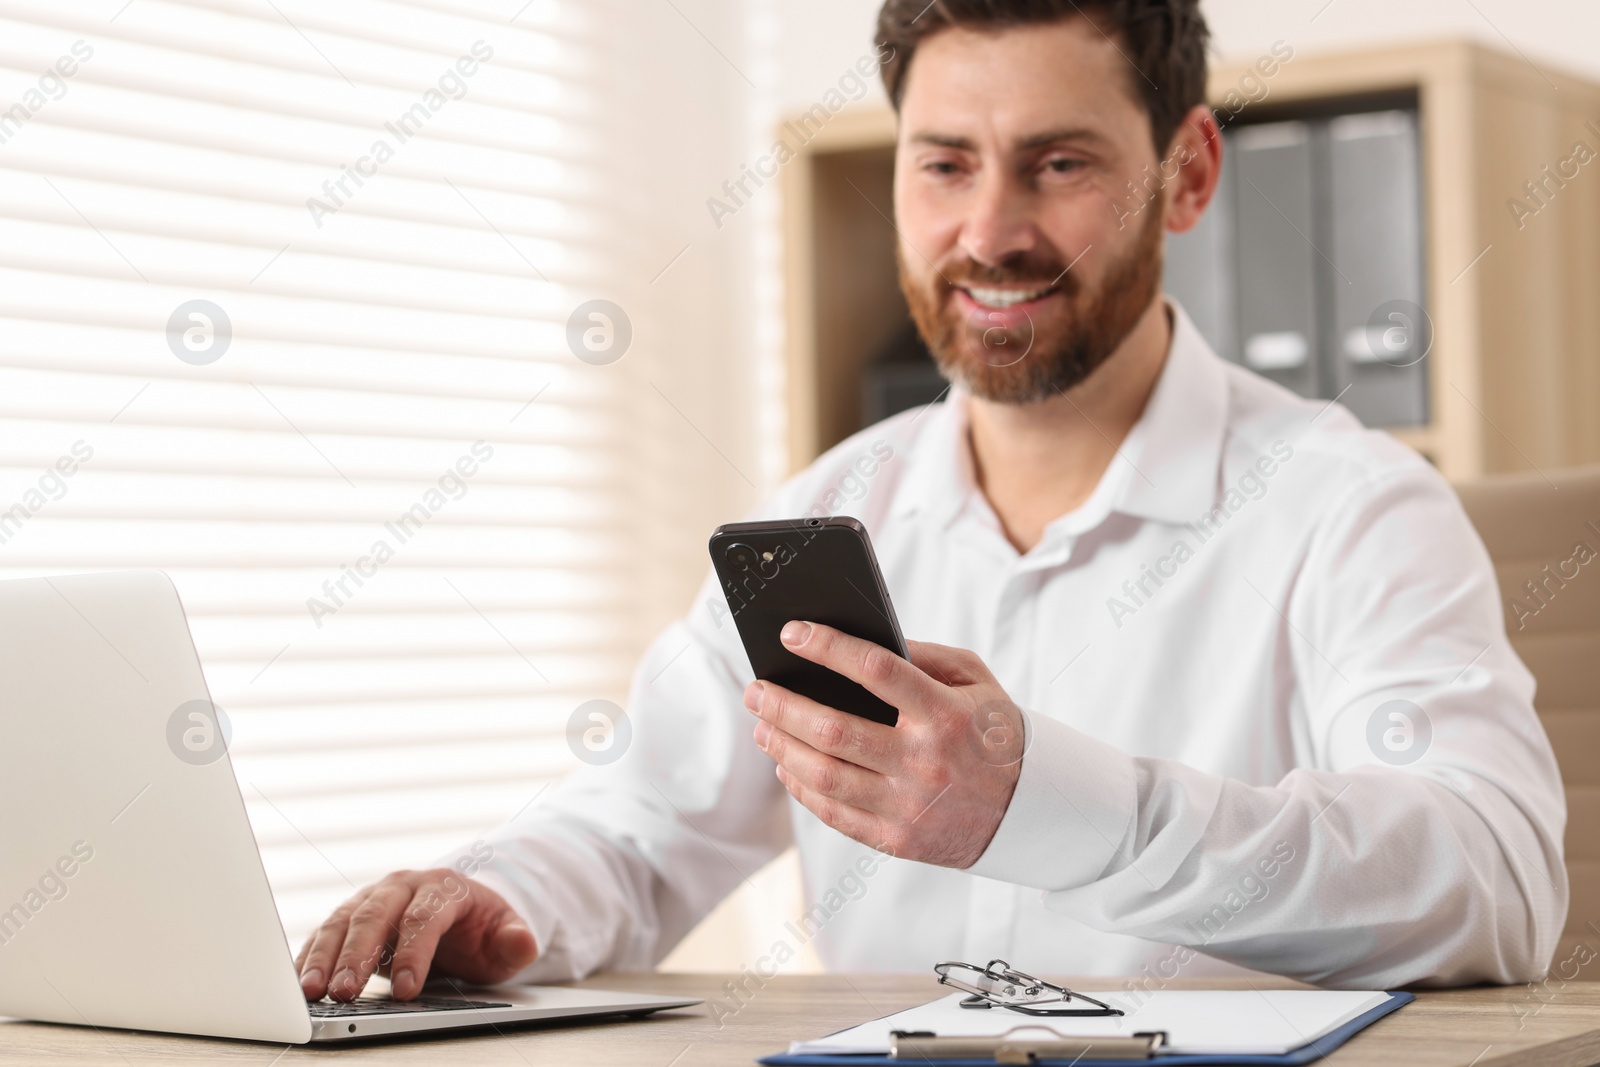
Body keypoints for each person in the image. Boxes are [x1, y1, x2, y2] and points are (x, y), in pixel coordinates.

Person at [296, 0, 1567, 1004]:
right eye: (944, 164)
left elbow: (1493, 880)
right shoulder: (829, 508)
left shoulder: (1353, 505)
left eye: (1058, 162)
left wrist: (1045, 803)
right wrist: (486, 893)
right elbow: (639, 830)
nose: (990, 230)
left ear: (1184, 176)